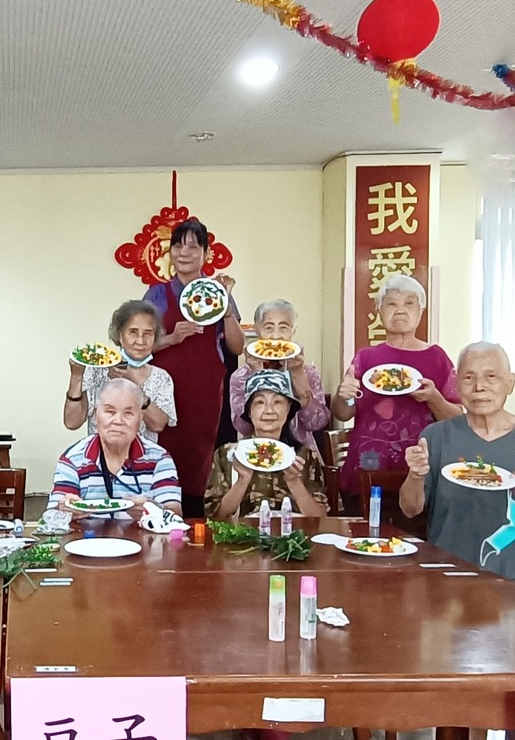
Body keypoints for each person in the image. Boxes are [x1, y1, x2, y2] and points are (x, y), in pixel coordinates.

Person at [400, 342, 515, 596]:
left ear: (510, 383)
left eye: (491, 377)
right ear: (457, 384)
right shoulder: (436, 436)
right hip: (449, 578)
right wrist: (416, 475)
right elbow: (410, 509)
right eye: (469, 378)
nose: (479, 387)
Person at [333, 273, 463, 518]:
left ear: (421, 312)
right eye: (391, 303)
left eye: (409, 303)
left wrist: (434, 398)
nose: (400, 310)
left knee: (415, 534)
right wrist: (344, 396)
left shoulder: (437, 357)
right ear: (379, 311)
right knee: (363, 533)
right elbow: (343, 412)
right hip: (368, 464)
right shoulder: (366, 357)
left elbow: (458, 418)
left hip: (418, 467)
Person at [145, 217, 243, 517]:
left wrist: (227, 307)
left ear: (206, 254)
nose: (183, 253)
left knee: (200, 466)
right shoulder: (156, 294)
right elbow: (138, 346)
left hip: (204, 397)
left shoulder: (217, 293)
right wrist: (171, 338)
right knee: (163, 460)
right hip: (163, 395)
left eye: (192, 247)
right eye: (177, 246)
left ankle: (199, 531)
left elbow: (237, 347)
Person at [207, 369, 333, 521]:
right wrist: (242, 480)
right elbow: (215, 517)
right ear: (249, 411)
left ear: (288, 409)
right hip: (245, 534)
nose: (269, 410)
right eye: (260, 402)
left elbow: (320, 518)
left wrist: (294, 482)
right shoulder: (227, 455)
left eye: (277, 402)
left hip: (293, 534)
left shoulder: (305, 455)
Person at [49, 378, 183, 517]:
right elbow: (51, 516)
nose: (118, 421)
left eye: (128, 413)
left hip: (141, 532)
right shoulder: (73, 459)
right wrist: (64, 510)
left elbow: (175, 512)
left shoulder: (159, 459)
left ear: (140, 418)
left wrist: (153, 509)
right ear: (96, 415)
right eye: (110, 412)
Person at [64, 300, 176, 444]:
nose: (140, 341)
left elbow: (158, 425)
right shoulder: (97, 370)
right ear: (120, 335)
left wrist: (133, 383)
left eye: (148, 334)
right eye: (133, 332)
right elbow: (72, 422)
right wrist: (76, 377)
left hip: (143, 457)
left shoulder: (161, 377)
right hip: (100, 456)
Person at [227, 300, 330, 444]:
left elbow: (317, 423)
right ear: (257, 330)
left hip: (301, 450)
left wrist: (298, 375)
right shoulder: (241, 376)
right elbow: (243, 428)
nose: (276, 336)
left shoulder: (308, 373)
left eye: (283, 328)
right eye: (269, 328)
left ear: (293, 331)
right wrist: (258, 375)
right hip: (258, 449)